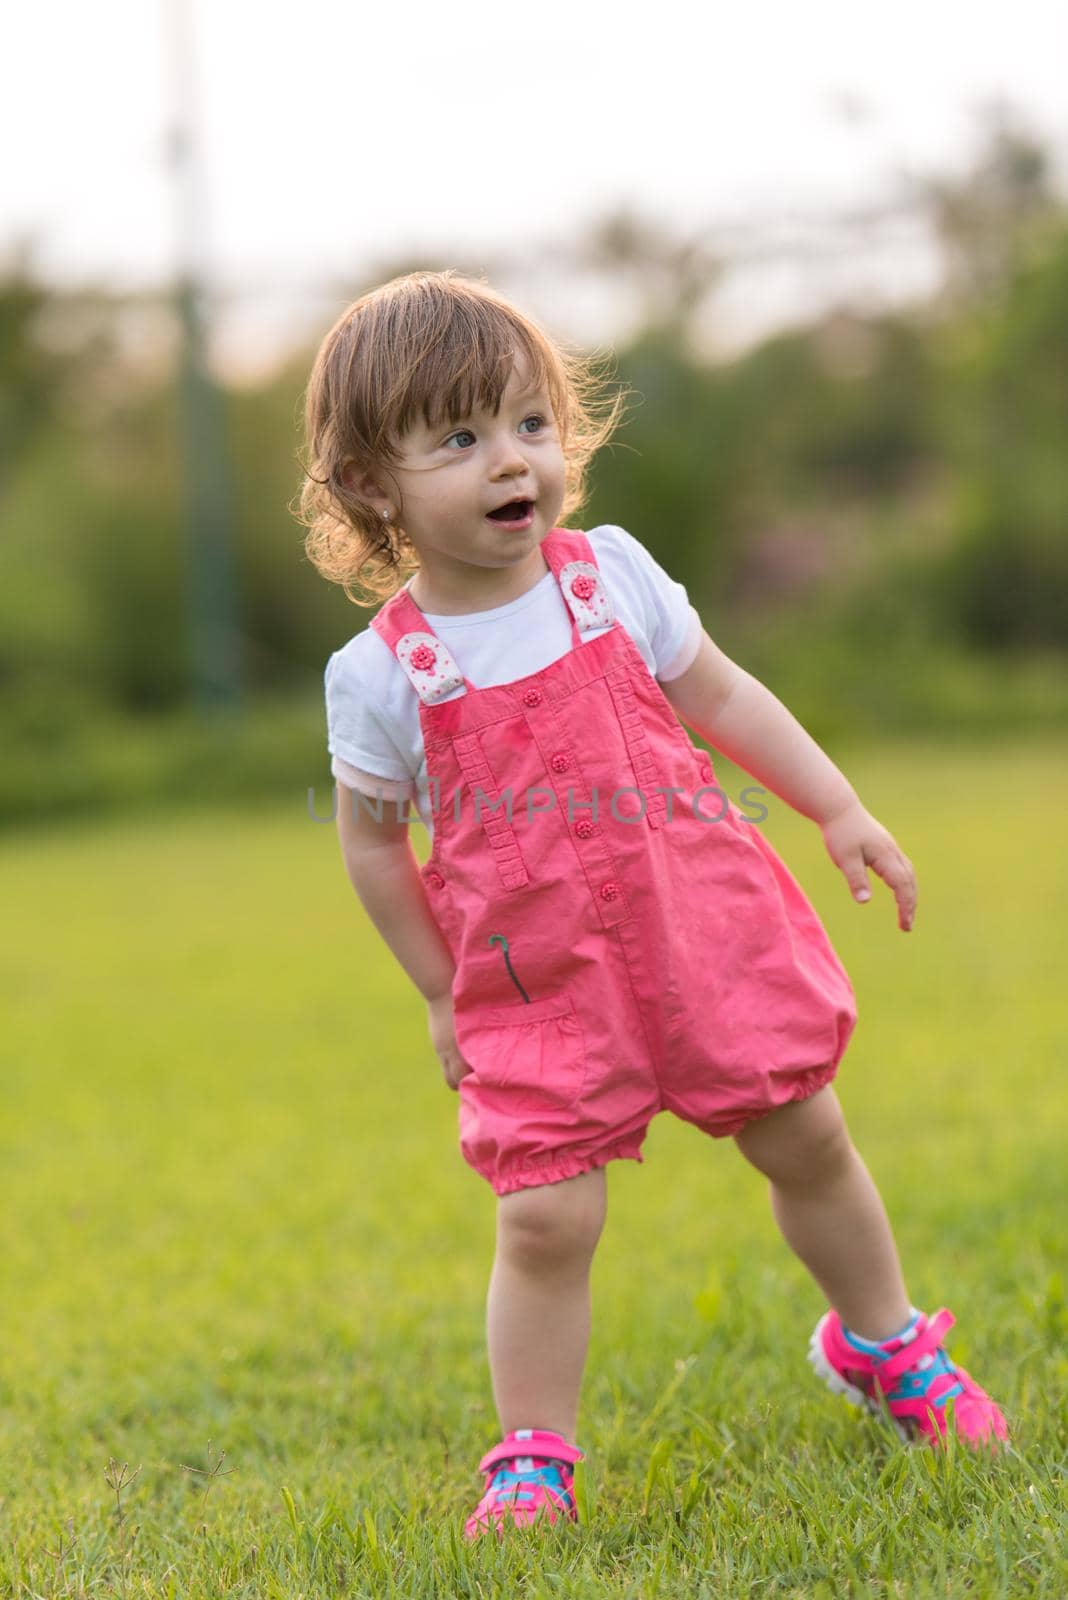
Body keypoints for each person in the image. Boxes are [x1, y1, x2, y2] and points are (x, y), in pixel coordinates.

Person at [299, 270, 1007, 1540]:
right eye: (459, 439)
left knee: (806, 1137)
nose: (511, 459)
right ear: (370, 485)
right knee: (545, 1213)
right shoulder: (381, 673)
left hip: (705, 932)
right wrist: (437, 988)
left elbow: (726, 697)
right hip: (536, 981)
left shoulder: (607, 577)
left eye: (527, 422)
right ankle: (533, 1456)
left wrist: (837, 806)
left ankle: (887, 1344)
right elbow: (370, 847)